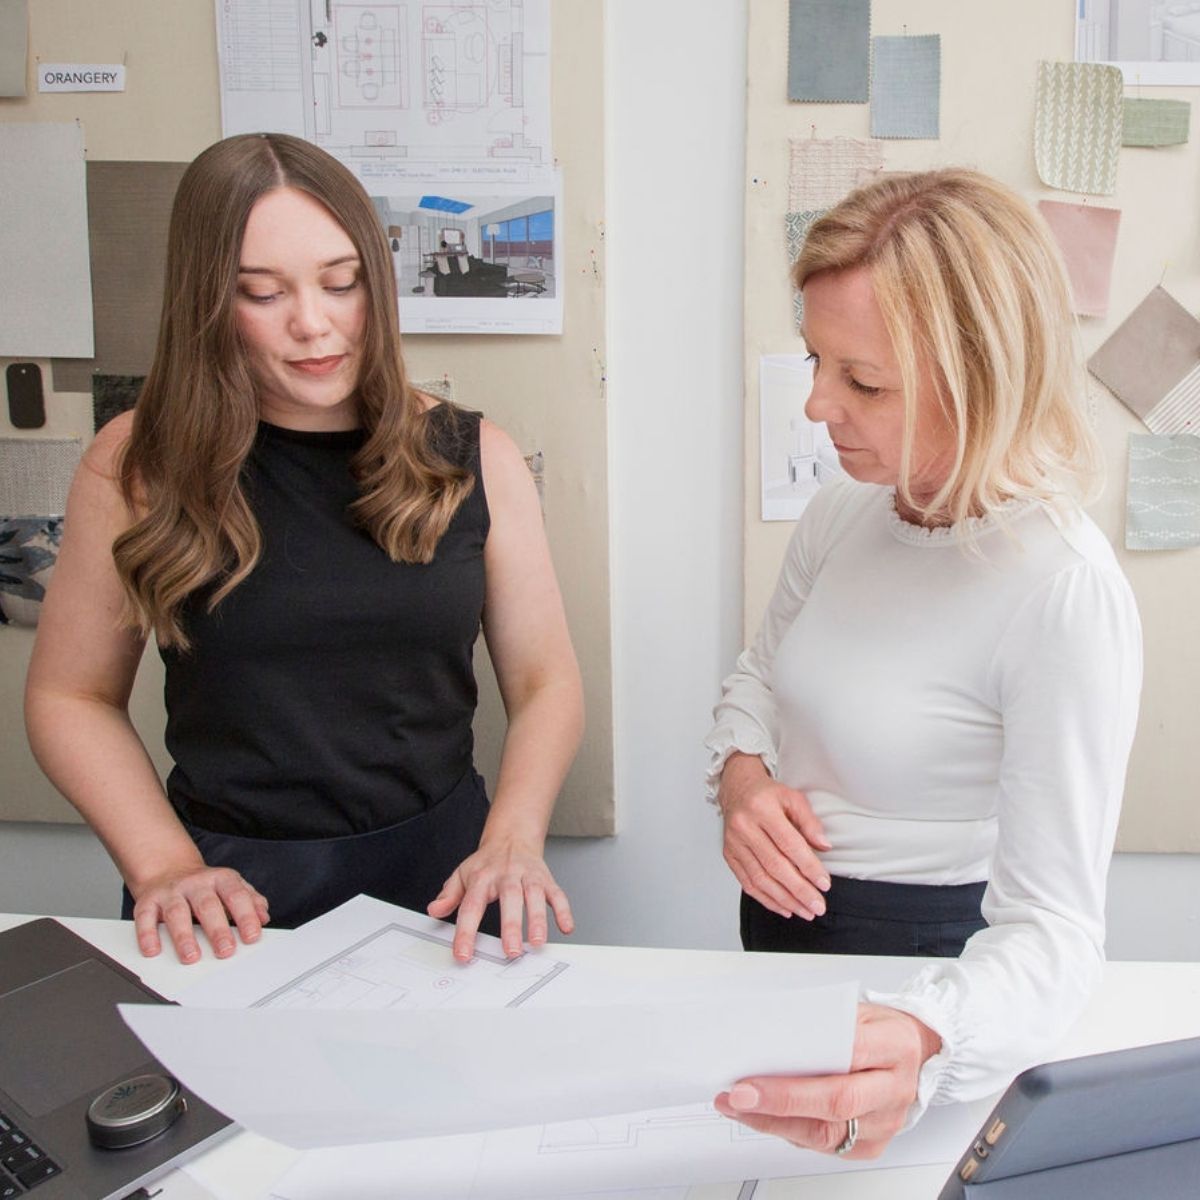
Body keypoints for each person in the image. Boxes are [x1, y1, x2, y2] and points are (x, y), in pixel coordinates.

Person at [24, 133, 583, 968]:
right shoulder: (137, 462)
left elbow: (546, 681)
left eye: (340, 283)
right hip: (227, 891)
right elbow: (70, 697)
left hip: (447, 880)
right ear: (209, 302)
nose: (313, 325)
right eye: (261, 293)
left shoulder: (472, 454)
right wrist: (164, 865)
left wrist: (514, 836)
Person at [704, 169, 1141, 1158]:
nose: (817, 405)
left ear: (982, 376)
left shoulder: (1061, 590)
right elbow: (760, 678)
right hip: (778, 943)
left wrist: (930, 1035)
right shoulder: (846, 510)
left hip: (933, 980)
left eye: (862, 381)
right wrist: (739, 782)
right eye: (816, 360)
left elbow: (1056, 936)